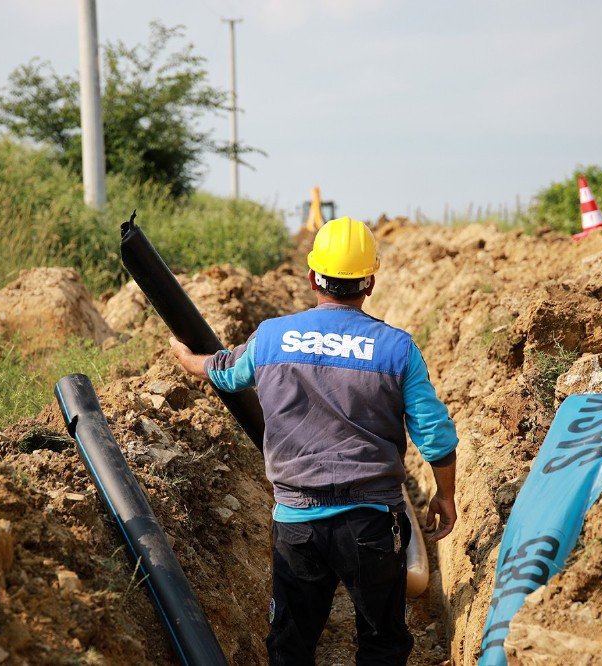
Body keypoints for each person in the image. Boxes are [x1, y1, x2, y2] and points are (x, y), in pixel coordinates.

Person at [169, 216, 458, 666]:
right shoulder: (397, 349)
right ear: (371, 283)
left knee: (291, 644)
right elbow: (436, 437)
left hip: (296, 521)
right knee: (382, 642)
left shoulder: (270, 337)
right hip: (371, 523)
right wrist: (446, 495)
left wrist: (189, 360)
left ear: (311, 278)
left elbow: (225, 370)